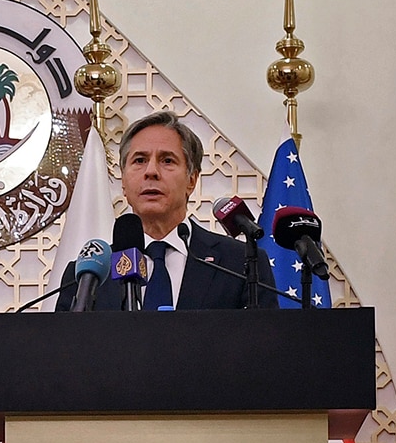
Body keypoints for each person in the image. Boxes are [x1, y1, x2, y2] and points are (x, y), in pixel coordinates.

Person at [59, 110, 278, 311]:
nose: (151, 171)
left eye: (167, 160)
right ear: (124, 182)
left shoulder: (241, 264)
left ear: (191, 180)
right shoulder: (88, 276)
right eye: (140, 160)